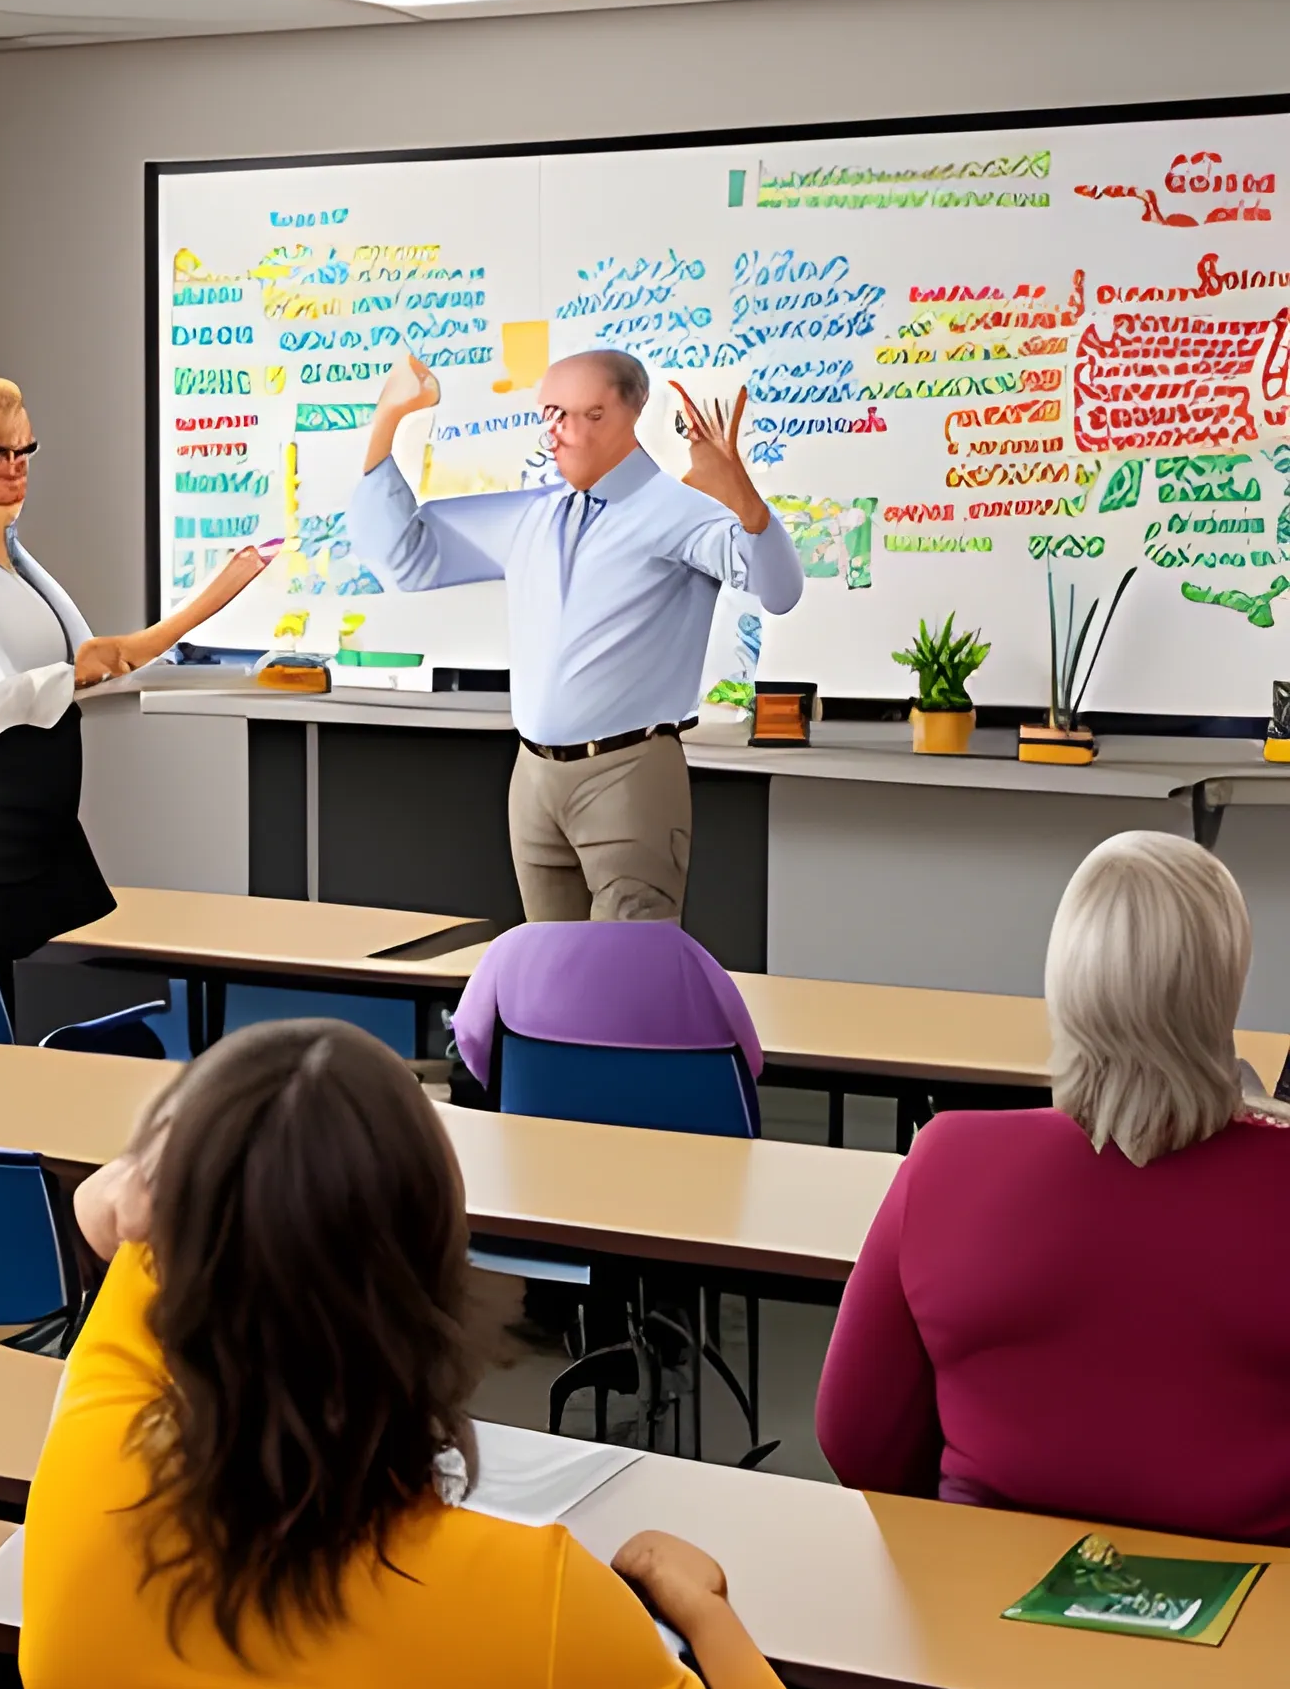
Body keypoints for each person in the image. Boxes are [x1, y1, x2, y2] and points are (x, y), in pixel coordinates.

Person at [21, 1020, 856, 1689]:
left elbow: (107, 1211)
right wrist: (702, 1608)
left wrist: (190, 1140)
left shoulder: (81, 1461)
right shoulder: (532, 1608)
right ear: (428, 1287)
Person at [817, 832, 1290, 1541]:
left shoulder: (946, 1159)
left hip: (981, 1616)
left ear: (1064, 980)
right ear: (1226, 985)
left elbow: (854, 1439)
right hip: (1256, 1629)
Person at [348, 352, 803, 924]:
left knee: (628, 974)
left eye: (569, 414)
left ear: (615, 416)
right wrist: (387, 423)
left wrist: (746, 504)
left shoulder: (679, 512)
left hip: (628, 772)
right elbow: (405, 557)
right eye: (548, 413)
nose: (553, 432)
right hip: (533, 777)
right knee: (553, 975)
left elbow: (780, 590)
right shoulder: (533, 515)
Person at [0, 377, 268, 999]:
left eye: (25, 451)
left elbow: (101, 665)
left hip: (37, 841)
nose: (17, 470)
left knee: (73, 1037)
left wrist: (217, 627)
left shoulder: (17, 561)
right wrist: (90, 668)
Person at [451, 918, 762, 1091]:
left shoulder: (512, 949)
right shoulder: (686, 955)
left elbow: (469, 1037)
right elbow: (751, 1063)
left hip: (541, 1166)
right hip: (690, 1175)